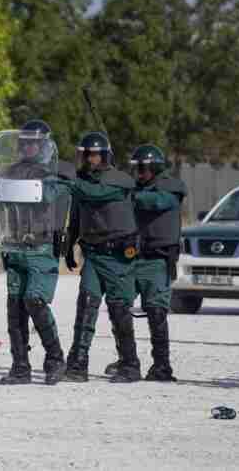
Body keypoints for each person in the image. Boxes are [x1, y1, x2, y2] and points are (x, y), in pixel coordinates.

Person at [0, 120, 75, 385]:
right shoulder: (9, 172)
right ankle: (20, 366)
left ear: (44, 145)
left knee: (35, 300)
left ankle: (55, 360)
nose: (28, 147)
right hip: (14, 246)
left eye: (33, 143)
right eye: (24, 142)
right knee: (15, 307)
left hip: (41, 247)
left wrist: (41, 177)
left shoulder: (58, 175)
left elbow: (51, 198)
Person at [62, 132, 141, 383]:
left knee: (119, 310)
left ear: (105, 155)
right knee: (86, 305)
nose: (90, 159)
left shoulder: (121, 181)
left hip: (119, 256)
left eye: (94, 154)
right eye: (86, 154)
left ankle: (129, 364)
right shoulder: (81, 182)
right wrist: (68, 243)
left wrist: (69, 183)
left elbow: (96, 194)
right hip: (93, 255)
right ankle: (77, 364)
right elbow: (76, 214)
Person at [104, 144, 186, 382]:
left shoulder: (171, 187)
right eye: (136, 170)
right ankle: (127, 361)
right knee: (118, 305)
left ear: (156, 168)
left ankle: (161, 366)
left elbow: (155, 202)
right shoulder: (131, 189)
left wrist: (127, 195)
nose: (139, 174)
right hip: (130, 258)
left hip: (156, 260)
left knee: (156, 311)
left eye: (143, 170)